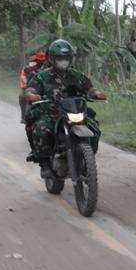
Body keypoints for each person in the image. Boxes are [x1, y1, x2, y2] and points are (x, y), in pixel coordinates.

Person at [23, 39, 106, 179]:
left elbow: (89, 88)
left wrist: (96, 94)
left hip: (75, 113)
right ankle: (44, 164)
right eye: (60, 58)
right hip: (51, 114)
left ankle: (87, 162)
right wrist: (32, 95)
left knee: (94, 128)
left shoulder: (76, 75)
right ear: (52, 59)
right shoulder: (42, 76)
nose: (63, 61)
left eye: (66, 58)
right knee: (41, 129)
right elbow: (30, 89)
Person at [17, 52, 45, 123]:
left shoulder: (49, 68)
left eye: (43, 61)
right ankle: (23, 117)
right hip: (31, 88)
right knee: (22, 95)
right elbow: (24, 80)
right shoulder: (28, 68)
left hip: (45, 89)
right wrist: (26, 87)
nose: (41, 62)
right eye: (39, 60)